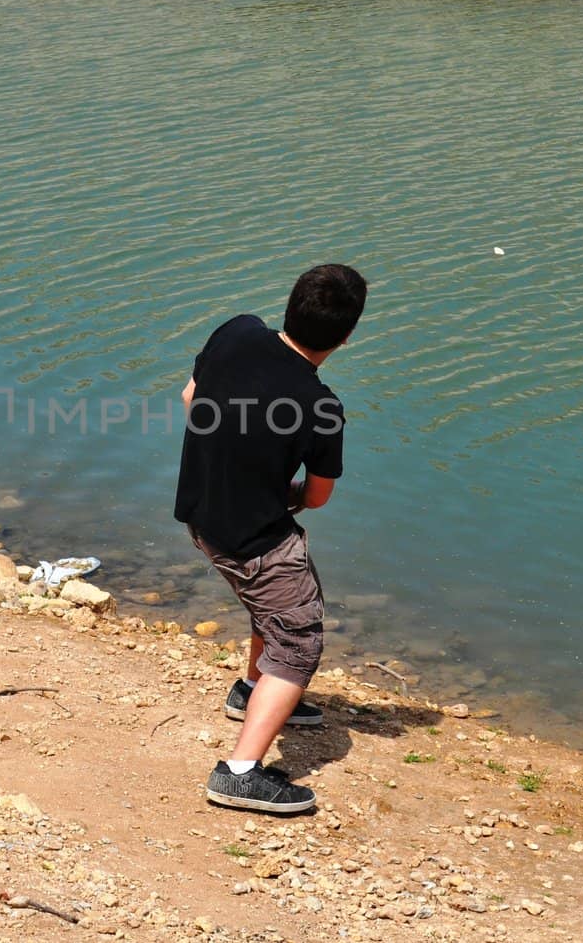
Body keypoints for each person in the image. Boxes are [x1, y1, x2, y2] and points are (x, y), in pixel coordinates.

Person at [174, 263, 366, 813]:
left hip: (201, 514)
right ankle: (239, 772)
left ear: (289, 306)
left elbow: (190, 397)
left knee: (274, 606)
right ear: (347, 335)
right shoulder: (321, 406)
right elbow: (317, 497)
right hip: (253, 539)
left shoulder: (236, 331)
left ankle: (252, 690)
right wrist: (280, 486)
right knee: (300, 639)